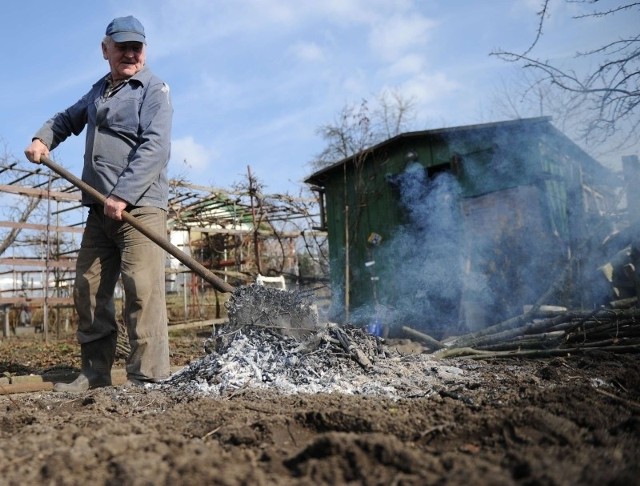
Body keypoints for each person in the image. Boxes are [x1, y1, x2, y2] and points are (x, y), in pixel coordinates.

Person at [24, 15, 173, 392]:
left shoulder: (154, 90)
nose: (129, 53)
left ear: (145, 49)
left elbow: (155, 148)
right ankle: (95, 373)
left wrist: (123, 194)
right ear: (105, 49)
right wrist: (44, 139)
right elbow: (65, 119)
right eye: (121, 46)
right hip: (99, 209)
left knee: (143, 290)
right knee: (87, 289)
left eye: (136, 46)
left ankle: (147, 378)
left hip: (140, 208)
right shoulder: (98, 92)